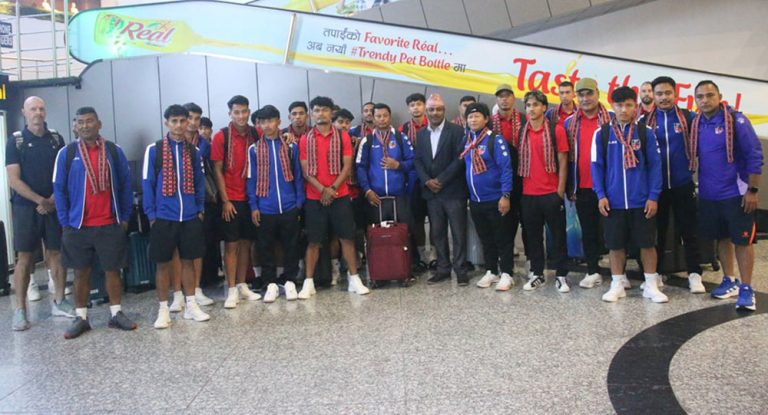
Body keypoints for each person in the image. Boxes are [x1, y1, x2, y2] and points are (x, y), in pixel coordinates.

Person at [54, 106, 137, 338]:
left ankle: (116, 313)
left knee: (113, 270)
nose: (85, 126)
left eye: (90, 121)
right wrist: (65, 222)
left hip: (109, 222)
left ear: (99, 124)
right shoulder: (67, 153)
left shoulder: (113, 151)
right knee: (81, 272)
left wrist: (124, 217)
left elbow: (126, 185)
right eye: (80, 122)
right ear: (75, 126)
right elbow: (59, 189)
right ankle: (81, 317)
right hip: (78, 225)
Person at [692, 80, 763, 311]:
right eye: (700, 96)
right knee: (722, 238)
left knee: (742, 241)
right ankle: (729, 280)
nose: (705, 100)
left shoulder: (736, 121)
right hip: (709, 194)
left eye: (709, 95)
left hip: (736, 192)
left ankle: (747, 288)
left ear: (719, 96)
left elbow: (754, 155)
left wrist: (752, 190)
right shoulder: (697, 123)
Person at [591, 87, 665, 303]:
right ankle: (617, 284)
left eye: (629, 105)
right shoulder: (602, 133)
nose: (624, 109)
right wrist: (601, 195)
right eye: (619, 105)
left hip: (641, 201)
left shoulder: (645, 132)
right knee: (615, 245)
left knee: (647, 244)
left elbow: (655, 166)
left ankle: (651, 284)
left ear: (635, 107)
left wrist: (653, 196)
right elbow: (596, 167)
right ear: (612, 106)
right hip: (613, 201)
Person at [6, 96, 73, 331]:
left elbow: (64, 173)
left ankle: (60, 302)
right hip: (26, 208)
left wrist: (52, 200)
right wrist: (39, 200)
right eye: (33, 109)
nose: (38, 112)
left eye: (41, 108)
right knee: (24, 258)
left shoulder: (56, 139)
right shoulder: (15, 142)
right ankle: (20, 311)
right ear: (24, 112)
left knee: (56, 254)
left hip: (53, 206)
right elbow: (13, 180)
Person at [143, 105, 210, 328]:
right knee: (163, 264)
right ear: (166, 123)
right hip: (164, 216)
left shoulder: (194, 151)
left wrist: (199, 209)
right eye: (174, 121)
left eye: (183, 121)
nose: (179, 125)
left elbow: (200, 183)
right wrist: (152, 214)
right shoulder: (155, 150)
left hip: (190, 215)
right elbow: (147, 183)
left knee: (189, 261)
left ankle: (191, 305)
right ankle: (163, 309)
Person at [298, 96, 369, 298]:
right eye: (317, 110)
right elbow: (306, 171)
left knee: (347, 238)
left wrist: (332, 189)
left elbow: (347, 166)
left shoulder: (342, 136)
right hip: (315, 198)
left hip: (340, 195)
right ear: (312, 114)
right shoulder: (305, 139)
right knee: (314, 241)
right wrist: (323, 190)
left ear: (331, 113)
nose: (321, 113)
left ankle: (354, 279)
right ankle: (308, 283)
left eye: (325, 110)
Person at [643, 76, 705, 293]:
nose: (664, 97)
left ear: (675, 94)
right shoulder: (645, 122)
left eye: (668, 93)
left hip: (682, 184)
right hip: (656, 188)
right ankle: (657, 273)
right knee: (657, 233)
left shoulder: (689, 118)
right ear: (653, 95)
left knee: (689, 232)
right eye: (659, 94)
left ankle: (695, 274)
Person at [247, 105, 304, 303]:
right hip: (265, 207)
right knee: (265, 247)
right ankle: (270, 283)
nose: (267, 125)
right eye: (263, 122)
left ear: (279, 121)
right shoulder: (254, 149)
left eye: (271, 121)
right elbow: (251, 180)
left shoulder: (290, 146)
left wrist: (298, 202)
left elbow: (298, 175)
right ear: (259, 124)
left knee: (291, 245)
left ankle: (290, 281)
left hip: (289, 206)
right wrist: (254, 206)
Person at [563, 78, 615, 289]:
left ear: (597, 94)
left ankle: (619, 274)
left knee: (615, 231)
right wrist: (569, 186)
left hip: (611, 187)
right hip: (583, 186)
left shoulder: (612, 118)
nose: (585, 99)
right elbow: (565, 158)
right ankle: (593, 270)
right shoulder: (570, 123)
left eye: (589, 94)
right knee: (589, 231)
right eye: (581, 95)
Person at [210, 95, 262, 309]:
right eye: (236, 112)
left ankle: (242, 284)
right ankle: (231, 288)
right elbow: (217, 170)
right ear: (230, 114)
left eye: (244, 111)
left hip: (250, 198)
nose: (241, 116)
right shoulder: (221, 136)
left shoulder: (256, 133)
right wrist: (225, 200)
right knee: (231, 245)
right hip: (230, 198)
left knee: (246, 243)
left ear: (249, 112)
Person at [517, 91, 570, 292]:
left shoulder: (556, 130)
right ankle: (537, 273)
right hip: (529, 194)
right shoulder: (522, 132)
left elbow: (563, 162)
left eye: (535, 105)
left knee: (558, 237)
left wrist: (560, 192)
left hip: (551, 193)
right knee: (533, 237)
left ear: (544, 107)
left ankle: (562, 275)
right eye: (528, 105)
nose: (531, 109)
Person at [414, 94, 468, 285]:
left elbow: (460, 159)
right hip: (432, 193)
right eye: (431, 109)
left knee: (458, 233)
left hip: (453, 191)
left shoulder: (457, 131)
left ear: (444, 110)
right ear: (426, 111)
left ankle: (461, 270)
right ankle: (443, 269)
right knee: (437, 233)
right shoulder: (421, 134)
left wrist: (441, 180)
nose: (434, 113)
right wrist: (427, 181)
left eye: (438, 109)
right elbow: (418, 160)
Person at [461, 102, 515, 290]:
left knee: (503, 238)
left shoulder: (494, 140)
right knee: (486, 239)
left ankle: (507, 273)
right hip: (476, 200)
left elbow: (506, 169)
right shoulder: (467, 141)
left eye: (477, 116)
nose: (473, 120)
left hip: (496, 199)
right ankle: (491, 270)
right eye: (470, 117)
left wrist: (505, 195)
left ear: (486, 119)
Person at [356, 103, 414, 235]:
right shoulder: (367, 141)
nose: (382, 119)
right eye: (378, 116)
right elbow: (360, 168)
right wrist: (367, 190)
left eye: (385, 115)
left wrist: (399, 165)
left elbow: (413, 162)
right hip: (376, 197)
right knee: (377, 235)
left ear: (390, 117)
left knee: (404, 234)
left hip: (399, 196)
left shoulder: (401, 137)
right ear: (373, 118)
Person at [181, 102, 215, 305]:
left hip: (200, 201)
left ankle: (196, 288)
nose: (193, 123)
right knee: (177, 250)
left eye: (197, 119)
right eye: (189, 118)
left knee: (197, 247)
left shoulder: (204, 144)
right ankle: (179, 293)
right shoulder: (167, 144)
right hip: (176, 201)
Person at [490, 84, 525, 270]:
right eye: (500, 96)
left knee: (525, 218)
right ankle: (504, 255)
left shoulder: (525, 119)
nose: (504, 99)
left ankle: (530, 259)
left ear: (513, 98)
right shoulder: (489, 123)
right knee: (504, 219)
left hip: (523, 175)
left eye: (507, 96)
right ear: (497, 100)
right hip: (499, 178)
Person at [399, 93, 430, 271]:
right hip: (413, 180)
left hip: (433, 178)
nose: (416, 108)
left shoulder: (434, 124)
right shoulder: (402, 129)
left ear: (424, 106)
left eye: (419, 104)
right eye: (412, 105)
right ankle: (421, 255)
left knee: (436, 219)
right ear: (408, 108)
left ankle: (435, 255)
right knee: (417, 220)